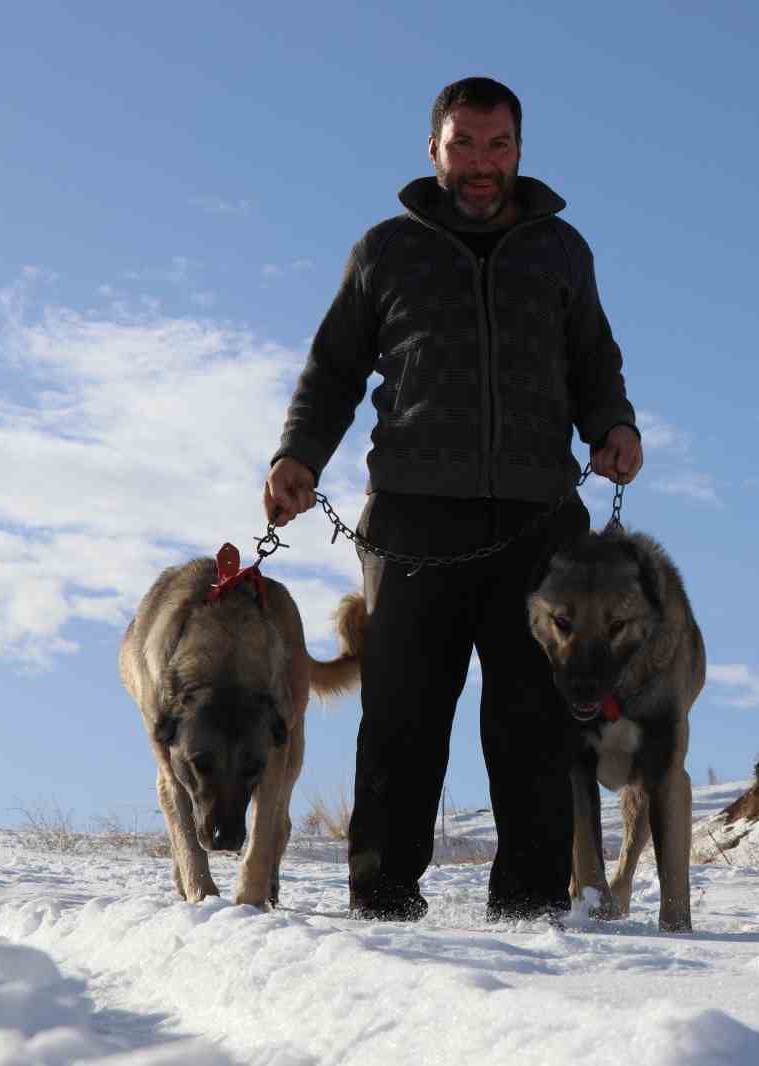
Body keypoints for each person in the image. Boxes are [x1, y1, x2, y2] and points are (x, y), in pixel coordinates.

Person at [262, 76, 642, 922]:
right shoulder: (385, 250)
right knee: (402, 716)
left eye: (497, 144)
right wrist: (298, 454)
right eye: (463, 144)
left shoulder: (561, 250)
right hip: (410, 524)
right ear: (433, 149)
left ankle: (534, 904)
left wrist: (613, 424)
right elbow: (331, 371)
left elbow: (594, 360)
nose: (480, 163)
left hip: (540, 523)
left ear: (519, 150)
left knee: (535, 717)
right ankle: (384, 896)